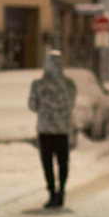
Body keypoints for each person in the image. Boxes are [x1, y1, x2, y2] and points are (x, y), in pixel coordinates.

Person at [28, 50, 76, 208]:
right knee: (63, 162)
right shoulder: (69, 84)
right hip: (62, 130)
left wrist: (45, 107)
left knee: (47, 163)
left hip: (45, 130)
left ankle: (51, 192)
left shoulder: (39, 84)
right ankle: (61, 190)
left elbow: (32, 105)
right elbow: (71, 104)